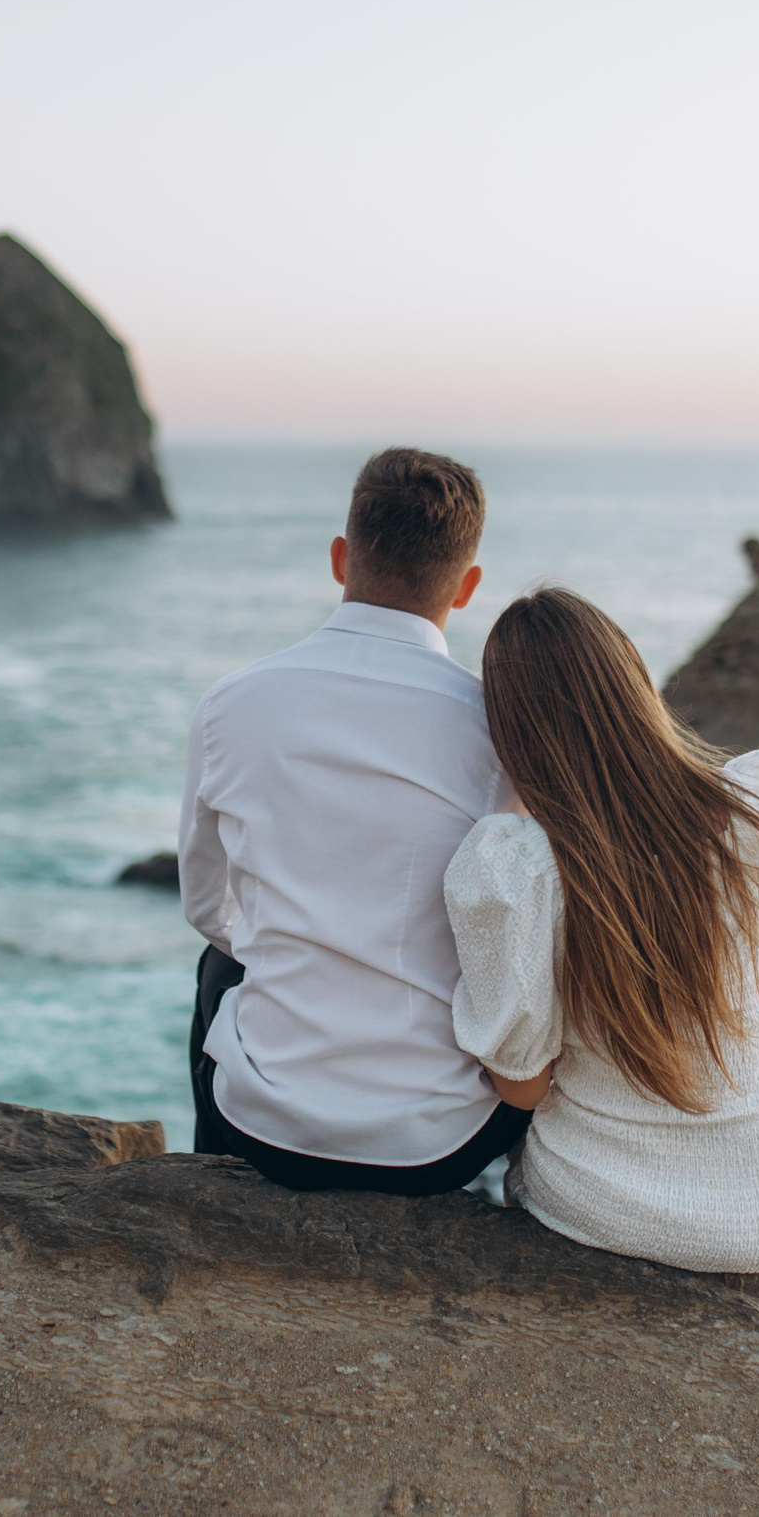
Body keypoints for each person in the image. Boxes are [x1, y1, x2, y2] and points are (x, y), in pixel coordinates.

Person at [443, 586, 759, 1301]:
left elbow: (521, 1086)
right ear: (640, 683)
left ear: (509, 736)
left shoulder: (521, 867)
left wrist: (513, 808)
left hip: (611, 1210)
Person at [179, 447, 529, 1193]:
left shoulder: (232, 702)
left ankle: (213, 1198)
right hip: (434, 1145)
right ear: (466, 586)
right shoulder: (497, 731)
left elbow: (207, 907)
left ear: (341, 558)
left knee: (219, 969)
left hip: (263, 1126)